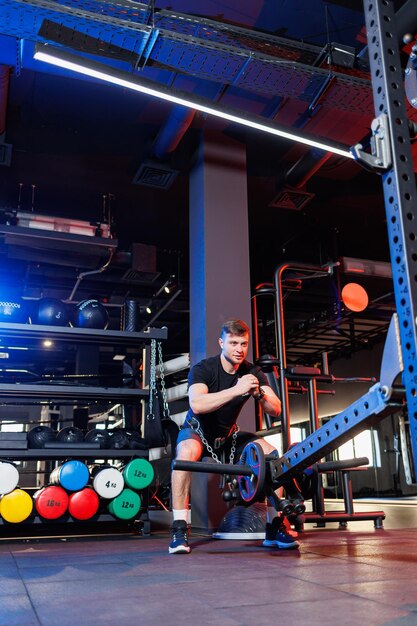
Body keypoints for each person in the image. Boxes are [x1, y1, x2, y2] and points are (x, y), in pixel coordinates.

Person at [169, 319, 299, 554]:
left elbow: (276, 409)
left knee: (271, 455)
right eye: (233, 343)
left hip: (229, 437)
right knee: (185, 454)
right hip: (198, 432)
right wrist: (237, 389)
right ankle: (179, 530)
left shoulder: (252, 371)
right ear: (221, 343)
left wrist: (258, 392)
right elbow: (197, 404)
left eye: (244, 343)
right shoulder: (203, 369)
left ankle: (274, 527)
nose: (239, 349)